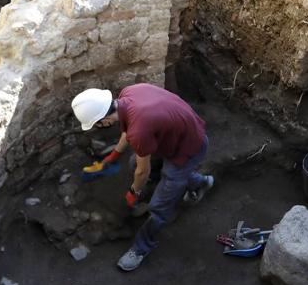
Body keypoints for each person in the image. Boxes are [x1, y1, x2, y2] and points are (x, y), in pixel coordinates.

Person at [71, 84, 213, 271]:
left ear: (103, 121)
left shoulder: (139, 131)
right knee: (133, 163)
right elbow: (128, 130)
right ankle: (201, 182)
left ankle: (141, 248)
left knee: (159, 204)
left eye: (97, 125)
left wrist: (134, 192)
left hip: (189, 147)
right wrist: (113, 155)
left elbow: (142, 171)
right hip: (173, 135)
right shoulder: (129, 93)